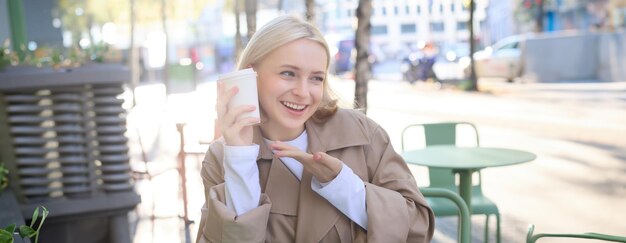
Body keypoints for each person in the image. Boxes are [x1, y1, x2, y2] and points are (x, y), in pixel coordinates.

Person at [196, 15, 434, 243]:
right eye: (288, 73)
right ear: (250, 74)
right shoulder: (222, 157)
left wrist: (342, 184)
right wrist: (240, 158)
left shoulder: (363, 135)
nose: (303, 92)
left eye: (316, 78)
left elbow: (418, 229)